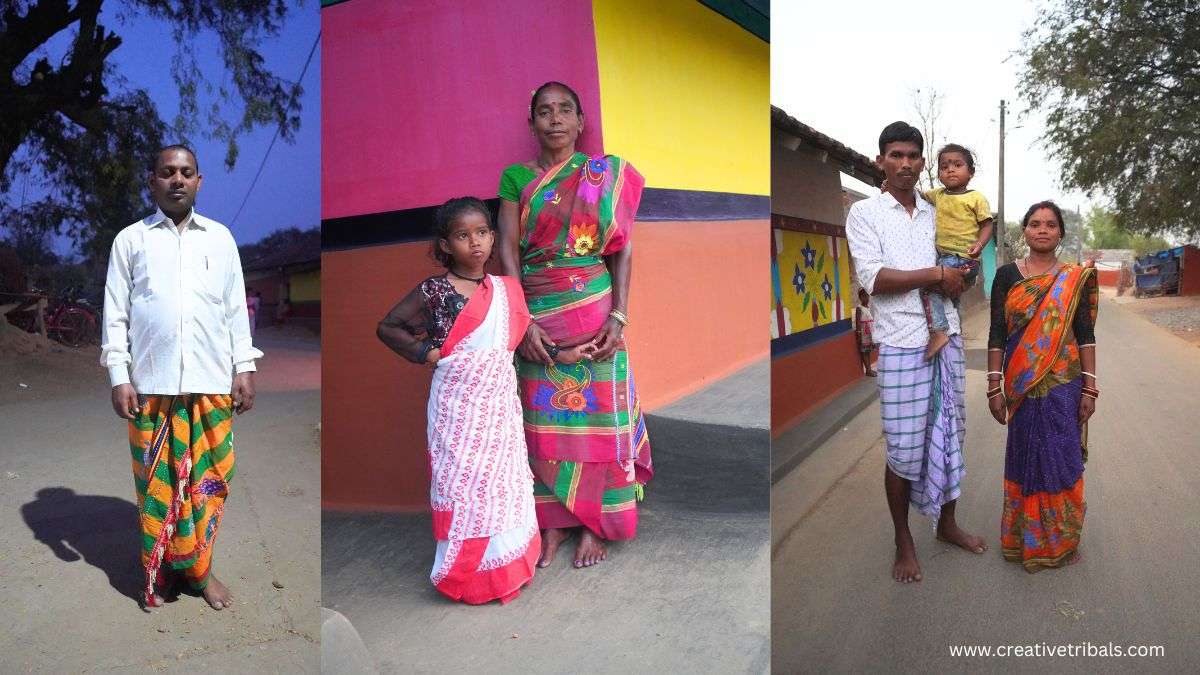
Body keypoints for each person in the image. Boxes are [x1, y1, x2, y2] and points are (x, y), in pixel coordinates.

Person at [497, 81, 651, 570]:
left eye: (565, 110)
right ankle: (555, 524)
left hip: (595, 316)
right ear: (532, 123)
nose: (555, 119)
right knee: (544, 425)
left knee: (599, 425)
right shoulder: (515, 178)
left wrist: (619, 315)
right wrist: (523, 323)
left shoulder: (601, 176)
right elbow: (507, 250)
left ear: (582, 122)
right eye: (544, 111)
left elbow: (621, 247)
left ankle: (594, 522)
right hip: (540, 318)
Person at [101, 144, 261, 610]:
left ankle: (201, 571)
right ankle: (161, 572)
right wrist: (118, 374)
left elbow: (235, 309)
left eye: (186, 172)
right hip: (151, 387)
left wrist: (244, 367)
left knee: (207, 484)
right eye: (167, 172)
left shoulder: (220, 238)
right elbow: (115, 313)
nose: (177, 180)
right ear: (151, 181)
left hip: (211, 384)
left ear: (199, 181)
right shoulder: (130, 240)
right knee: (157, 488)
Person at [376, 197, 555, 604]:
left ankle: (509, 567)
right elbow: (388, 327)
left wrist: (566, 354)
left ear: (493, 238)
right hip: (457, 407)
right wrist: (427, 353)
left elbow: (518, 340)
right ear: (445, 244)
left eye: (481, 233)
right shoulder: (434, 290)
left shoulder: (507, 291)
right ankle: (468, 577)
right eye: (462, 235)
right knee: (464, 482)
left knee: (503, 480)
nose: (474, 243)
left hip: (499, 405)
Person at [845, 121, 986, 584]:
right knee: (903, 448)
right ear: (881, 161)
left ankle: (946, 525)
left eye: (912, 156)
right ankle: (903, 541)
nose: (905, 164)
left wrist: (960, 274)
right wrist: (934, 275)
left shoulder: (935, 211)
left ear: (923, 162)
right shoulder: (865, 215)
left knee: (950, 433)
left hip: (948, 339)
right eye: (895, 155)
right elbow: (875, 279)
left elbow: (963, 265)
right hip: (901, 344)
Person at [987, 201, 1097, 572]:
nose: (1043, 229)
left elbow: (1085, 335)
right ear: (1025, 232)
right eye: (1035, 223)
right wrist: (993, 386)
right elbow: (997, 333)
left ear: (1061, 232)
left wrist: (1090, 389)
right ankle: (1024, 539)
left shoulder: (1073, 277)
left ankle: (1062, 539)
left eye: (1051, 224)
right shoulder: (1006, 276)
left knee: (1061, 456)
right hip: (1020, 382)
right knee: (1024, 453)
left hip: (1064, 383)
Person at [918, 144, 994, 360]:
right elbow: (914, 195)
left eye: (957, 165)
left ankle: (939, 332)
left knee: (928, 288)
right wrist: (886, 186)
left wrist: (979, 244)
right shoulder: (938, 195)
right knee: (952, 298)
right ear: (939, 173)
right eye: (944, 166)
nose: (950, 169)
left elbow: (987, 225)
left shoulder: (976, 198)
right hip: (945, 257)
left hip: (964, 259)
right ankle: (954, 333)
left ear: (970, 172)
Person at [854, 288, 877, 377]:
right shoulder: (859, 308)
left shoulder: (868, 308)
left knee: (868, 351)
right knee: (864, 351)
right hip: (863, 334)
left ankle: (869, 369)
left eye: (867, 296)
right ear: (860, 297)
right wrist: (859, 333)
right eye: (864, 296)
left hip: (869, 334)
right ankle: (868, 370)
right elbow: (858, 322)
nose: (866, 298)